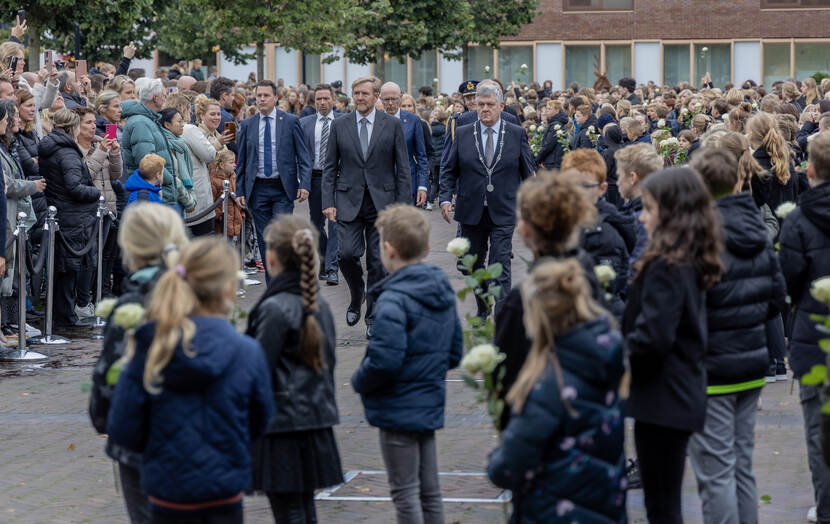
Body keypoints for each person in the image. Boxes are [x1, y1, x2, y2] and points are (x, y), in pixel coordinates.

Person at [106, 237, 274, 524]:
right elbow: (261, 421)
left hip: (166, 489)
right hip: (224, 488)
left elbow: (123, 428)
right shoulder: (246, 352)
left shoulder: (151, 347)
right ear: (229, 289)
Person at [687, 147, 787, 524]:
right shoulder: (757, 230)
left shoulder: (696, 235)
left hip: (710, 369)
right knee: (741, 466)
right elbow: (777, 298)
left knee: (715, 474)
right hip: (750, 364)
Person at [488, 258, 627, 523]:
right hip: (604, 505)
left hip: (553, 510)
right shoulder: (606, 363)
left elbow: (509, 465)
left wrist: (496, 459)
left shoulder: (548, 386)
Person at [622, 167, 723, 523]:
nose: (641, 216)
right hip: (678, 392)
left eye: (647, 209)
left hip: (663, 397)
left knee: (662, 506)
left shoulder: (667, 265)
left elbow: (653, 337)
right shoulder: (689, 257)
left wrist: (614, 359)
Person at [351, 204, 462, 524]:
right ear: (427, 249)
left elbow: (384, 360)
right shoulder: (441, 290)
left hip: (397, 409)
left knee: (404, 493)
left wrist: (359, 380)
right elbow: (454, 353)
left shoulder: (393, 299)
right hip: (428, 403)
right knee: (430, 492)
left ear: (387, 250)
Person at [89, 202, 189, 524]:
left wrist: (105, 422)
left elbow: (108, 378)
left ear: (129, 247)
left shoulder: (132, 304)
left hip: (142, 441)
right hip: (199, 434)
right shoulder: (197, 293)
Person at [247, 215, 342, 523]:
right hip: (313, 419)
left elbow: (258, 369)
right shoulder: (319, 305)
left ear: (271, 257)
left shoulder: (274, 308)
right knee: (303, 507)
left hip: (282, 426)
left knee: (289, 510)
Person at [321, 76, 411, 338]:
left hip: (382, 203)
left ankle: (372, 314)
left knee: (377, 262)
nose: (360, 98)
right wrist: (327, 201)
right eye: (356, 93)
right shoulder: (340, 125)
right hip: (348, 201)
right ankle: (357, 292)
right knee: (346, 255)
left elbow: (403, 169)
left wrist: (402, 208)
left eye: (365, 94)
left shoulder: (392, 125)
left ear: (376, 97)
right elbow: (329, 167)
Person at [439, 82, 535, 318]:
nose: (484, 109)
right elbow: (449, 169)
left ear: (501, 106)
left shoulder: (516, 133)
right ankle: (483, 304)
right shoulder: (463, 133)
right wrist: (444, 198)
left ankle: (503, 316)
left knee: (501, 262)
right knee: (472, 263)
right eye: (480, 105)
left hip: (504, 208)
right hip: (471, 208)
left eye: (490, 105)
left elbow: (528, 172)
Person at [779, 131, 830, 524]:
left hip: (814, 334)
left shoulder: (797, 220)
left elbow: (790, 280)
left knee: (819, 426)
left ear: (809, 170)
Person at [237, 80, 312, 281]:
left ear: (276, 98)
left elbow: (303, 155)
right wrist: (241, 191)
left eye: (266, 95)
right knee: (264, 239)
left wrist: (304, 184)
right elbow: (242, 161)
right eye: (259, 95)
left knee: (281, 237)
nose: (262, 99)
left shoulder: (289, 121)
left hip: (282, 188)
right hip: (257, 189)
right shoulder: (247, 124)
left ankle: (287, 276)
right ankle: (273, 285)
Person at [39, 108, 102, 328]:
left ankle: (63, 315)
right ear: (73, 128)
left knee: (66, 269)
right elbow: (74, 186)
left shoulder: (55, 148)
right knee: (68, 270)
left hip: (65, 212)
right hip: (71, 216)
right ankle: (65, 318)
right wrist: (96, 193)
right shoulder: (66, 152)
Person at [561, 150, 634, 312]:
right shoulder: (568, 219)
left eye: (584, 186)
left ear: (602, 189)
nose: (575, 192)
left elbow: (607, 289)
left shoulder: (603, 233)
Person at [73, 106, 122, 309]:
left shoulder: (98, 144)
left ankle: (98, 299)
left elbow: (116, 175)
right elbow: (86, 174)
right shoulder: (75, 150)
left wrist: (116, 154)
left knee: (104, 259)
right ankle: (83, 303)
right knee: (89, 259)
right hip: (88, 210)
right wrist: (102, 152)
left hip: (107, 207)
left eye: (94, 122)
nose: (93, 127)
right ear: (77, 125)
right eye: (88, 123)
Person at [121, 79, 184, 214]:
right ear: (155, 98)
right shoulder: (141, 123)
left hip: (158, 191)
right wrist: (168, 180)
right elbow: (147, 161)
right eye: (163, 94)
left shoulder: (149, 120)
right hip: (155, 193)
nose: (165, 98)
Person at [300, 84, 340, 286]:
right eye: (319, 99)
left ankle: (333, 268)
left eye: (326, 99)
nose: (322, 103)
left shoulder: (343, 121)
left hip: (338, 178)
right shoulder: (305, 123)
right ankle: (324, 261)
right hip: (315, 178)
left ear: (333, 100)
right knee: (316, 223)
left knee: (335, 224)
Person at [615, 143, 664, 270]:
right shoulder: (661, 207)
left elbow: (634, 270)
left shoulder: (642, 220)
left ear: (632, 177)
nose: (617, 182)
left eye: (619, 175)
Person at [379, 82, 428, 206]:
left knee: (406, 224)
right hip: (380, 187)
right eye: (386, 99)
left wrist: (422, 186)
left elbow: (421, 156)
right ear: (380, 99)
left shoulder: (413, 120)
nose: (390, 103)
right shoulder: (374, 120)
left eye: (394, 99)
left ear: (400, 97)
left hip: (407, 183)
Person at [158, 108, 197, 215]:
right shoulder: (164, 145)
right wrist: (189, 200)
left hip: (179, 199)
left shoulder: (177, 143)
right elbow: (173, 177)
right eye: (179, 121)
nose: (183, 124)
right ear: (167, 125)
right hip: (171, 201)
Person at [209, 149, 244, 237]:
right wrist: (219, 215)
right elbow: (211, 203)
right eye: (231, 162)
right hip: (221, 225)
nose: (234, 165)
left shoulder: (234, 178)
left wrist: (242, 214)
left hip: (235, 223)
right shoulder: (214, 181)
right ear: (221, 165)